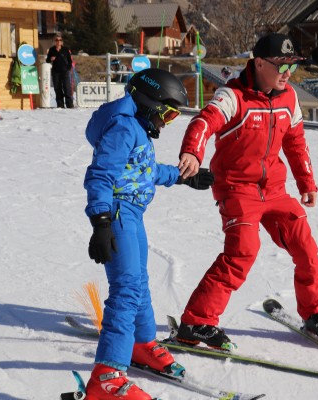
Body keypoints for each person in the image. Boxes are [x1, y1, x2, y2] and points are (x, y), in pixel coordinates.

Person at [174, 33, 318, 350]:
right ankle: (197, 322)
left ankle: (315, 313)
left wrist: (307, 182)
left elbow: (295, 142)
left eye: (292, 65)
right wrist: (193, 152)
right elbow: (204, 122)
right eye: (281, 65)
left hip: (274, 189)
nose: (288, 72)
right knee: (242, 252)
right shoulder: (233, 96)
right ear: (259, 63)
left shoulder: (289, 97)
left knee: (305, 246)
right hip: (237, 188)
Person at [83, 68, 215, 400]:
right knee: (126, 289)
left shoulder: (138, 128)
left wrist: (182, 177)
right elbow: (100, 175)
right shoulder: (123, 128)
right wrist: (100, 222)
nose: (168, 121)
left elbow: (146, 170)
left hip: (133, 214)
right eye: (168, 113)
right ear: (147, 102)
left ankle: (141, 345)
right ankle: (106, 376)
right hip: (115, 213)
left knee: (139, 281)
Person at [46, 34, 74, 108]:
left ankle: (69, 105)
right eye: (57, 40)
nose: (58, 42)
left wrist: (68, 68)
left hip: (65, 72)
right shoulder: (52, 50)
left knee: (67, 88)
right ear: (54, 42)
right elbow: (47, 60)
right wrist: (50, 59)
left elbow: (70, 61)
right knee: (57, 89)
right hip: (56, 72)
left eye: (60, 40)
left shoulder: (65, 49)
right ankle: (60, 105)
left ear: (62, 42)